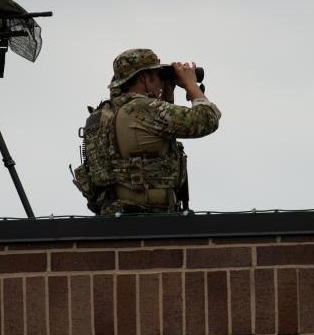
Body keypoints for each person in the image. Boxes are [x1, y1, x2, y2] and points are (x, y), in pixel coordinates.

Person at [72, 48, 221, 215]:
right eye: (157, 76)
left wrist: (167, 94)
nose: (160, 83)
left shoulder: (106, 113)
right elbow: (207, 119)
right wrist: (191, 85)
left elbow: (153, 135)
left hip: (114, 215)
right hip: (148, 217)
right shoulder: (142, 108)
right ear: (143, 78)